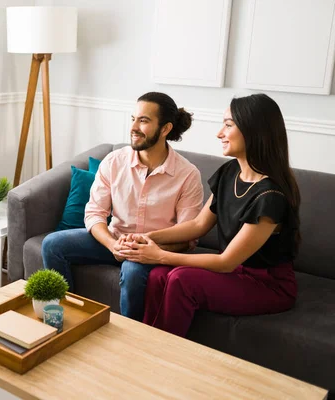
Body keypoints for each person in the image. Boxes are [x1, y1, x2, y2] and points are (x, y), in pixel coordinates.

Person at [125, 93, 300, 337]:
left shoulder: (270, 197)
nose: (219, 133)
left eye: (228, 125)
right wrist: (147, 237)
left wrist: (159, 255)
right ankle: (144, 340)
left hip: (268, 284)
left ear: (253, 131)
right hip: (236, 270)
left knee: (181, 281)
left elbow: (226, 261)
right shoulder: (230, 172)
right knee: (157, 276)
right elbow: (198, 224)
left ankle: (162, 354)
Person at [41, 92, 204, 321]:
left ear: (165, 128)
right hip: (115, 239)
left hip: (154, 248)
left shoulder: (187, 175)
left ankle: (129, 341)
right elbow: (95, 213)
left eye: (144, 121)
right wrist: (112, 244)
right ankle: (63, 319)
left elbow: (188, 234)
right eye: (133, 119)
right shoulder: (114, 161)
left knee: (133, 271)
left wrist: (146, 243)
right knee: (52, 244)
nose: (134, 127)